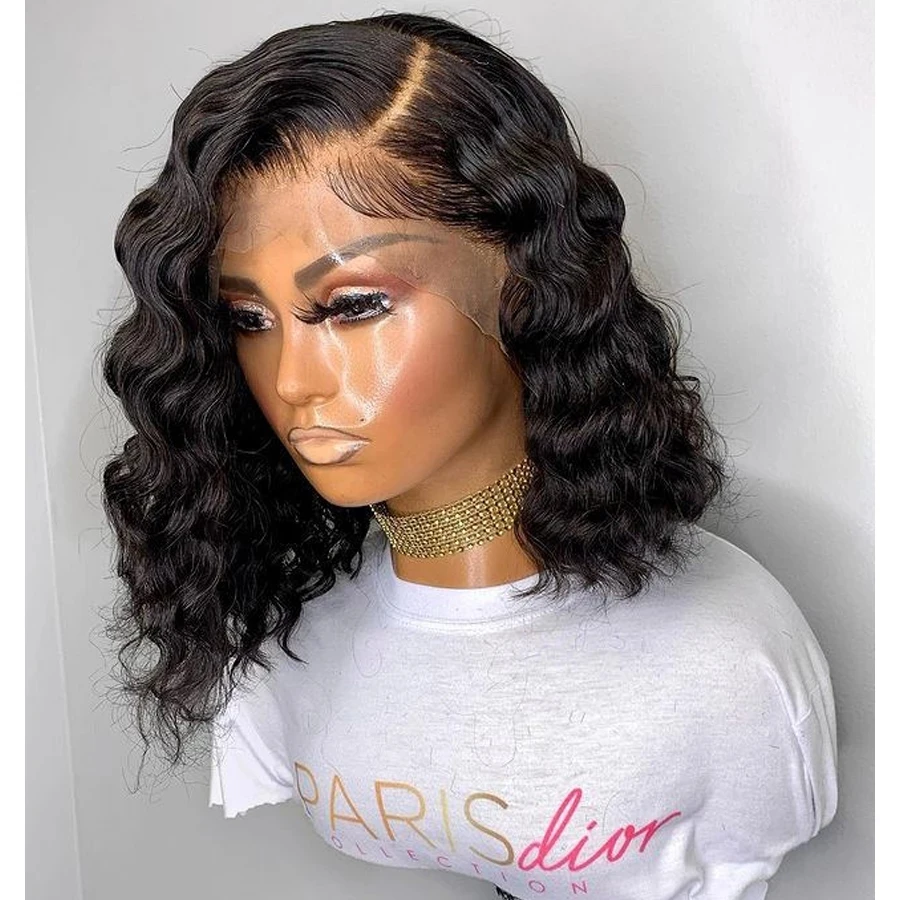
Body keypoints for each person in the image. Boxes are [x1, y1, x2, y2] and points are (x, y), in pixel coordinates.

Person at [100, 13, 838, 900]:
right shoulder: (294, 633)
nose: (293, 380)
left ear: (525, 285)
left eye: (354, 306)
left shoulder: (723, 661)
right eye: (249, 319)